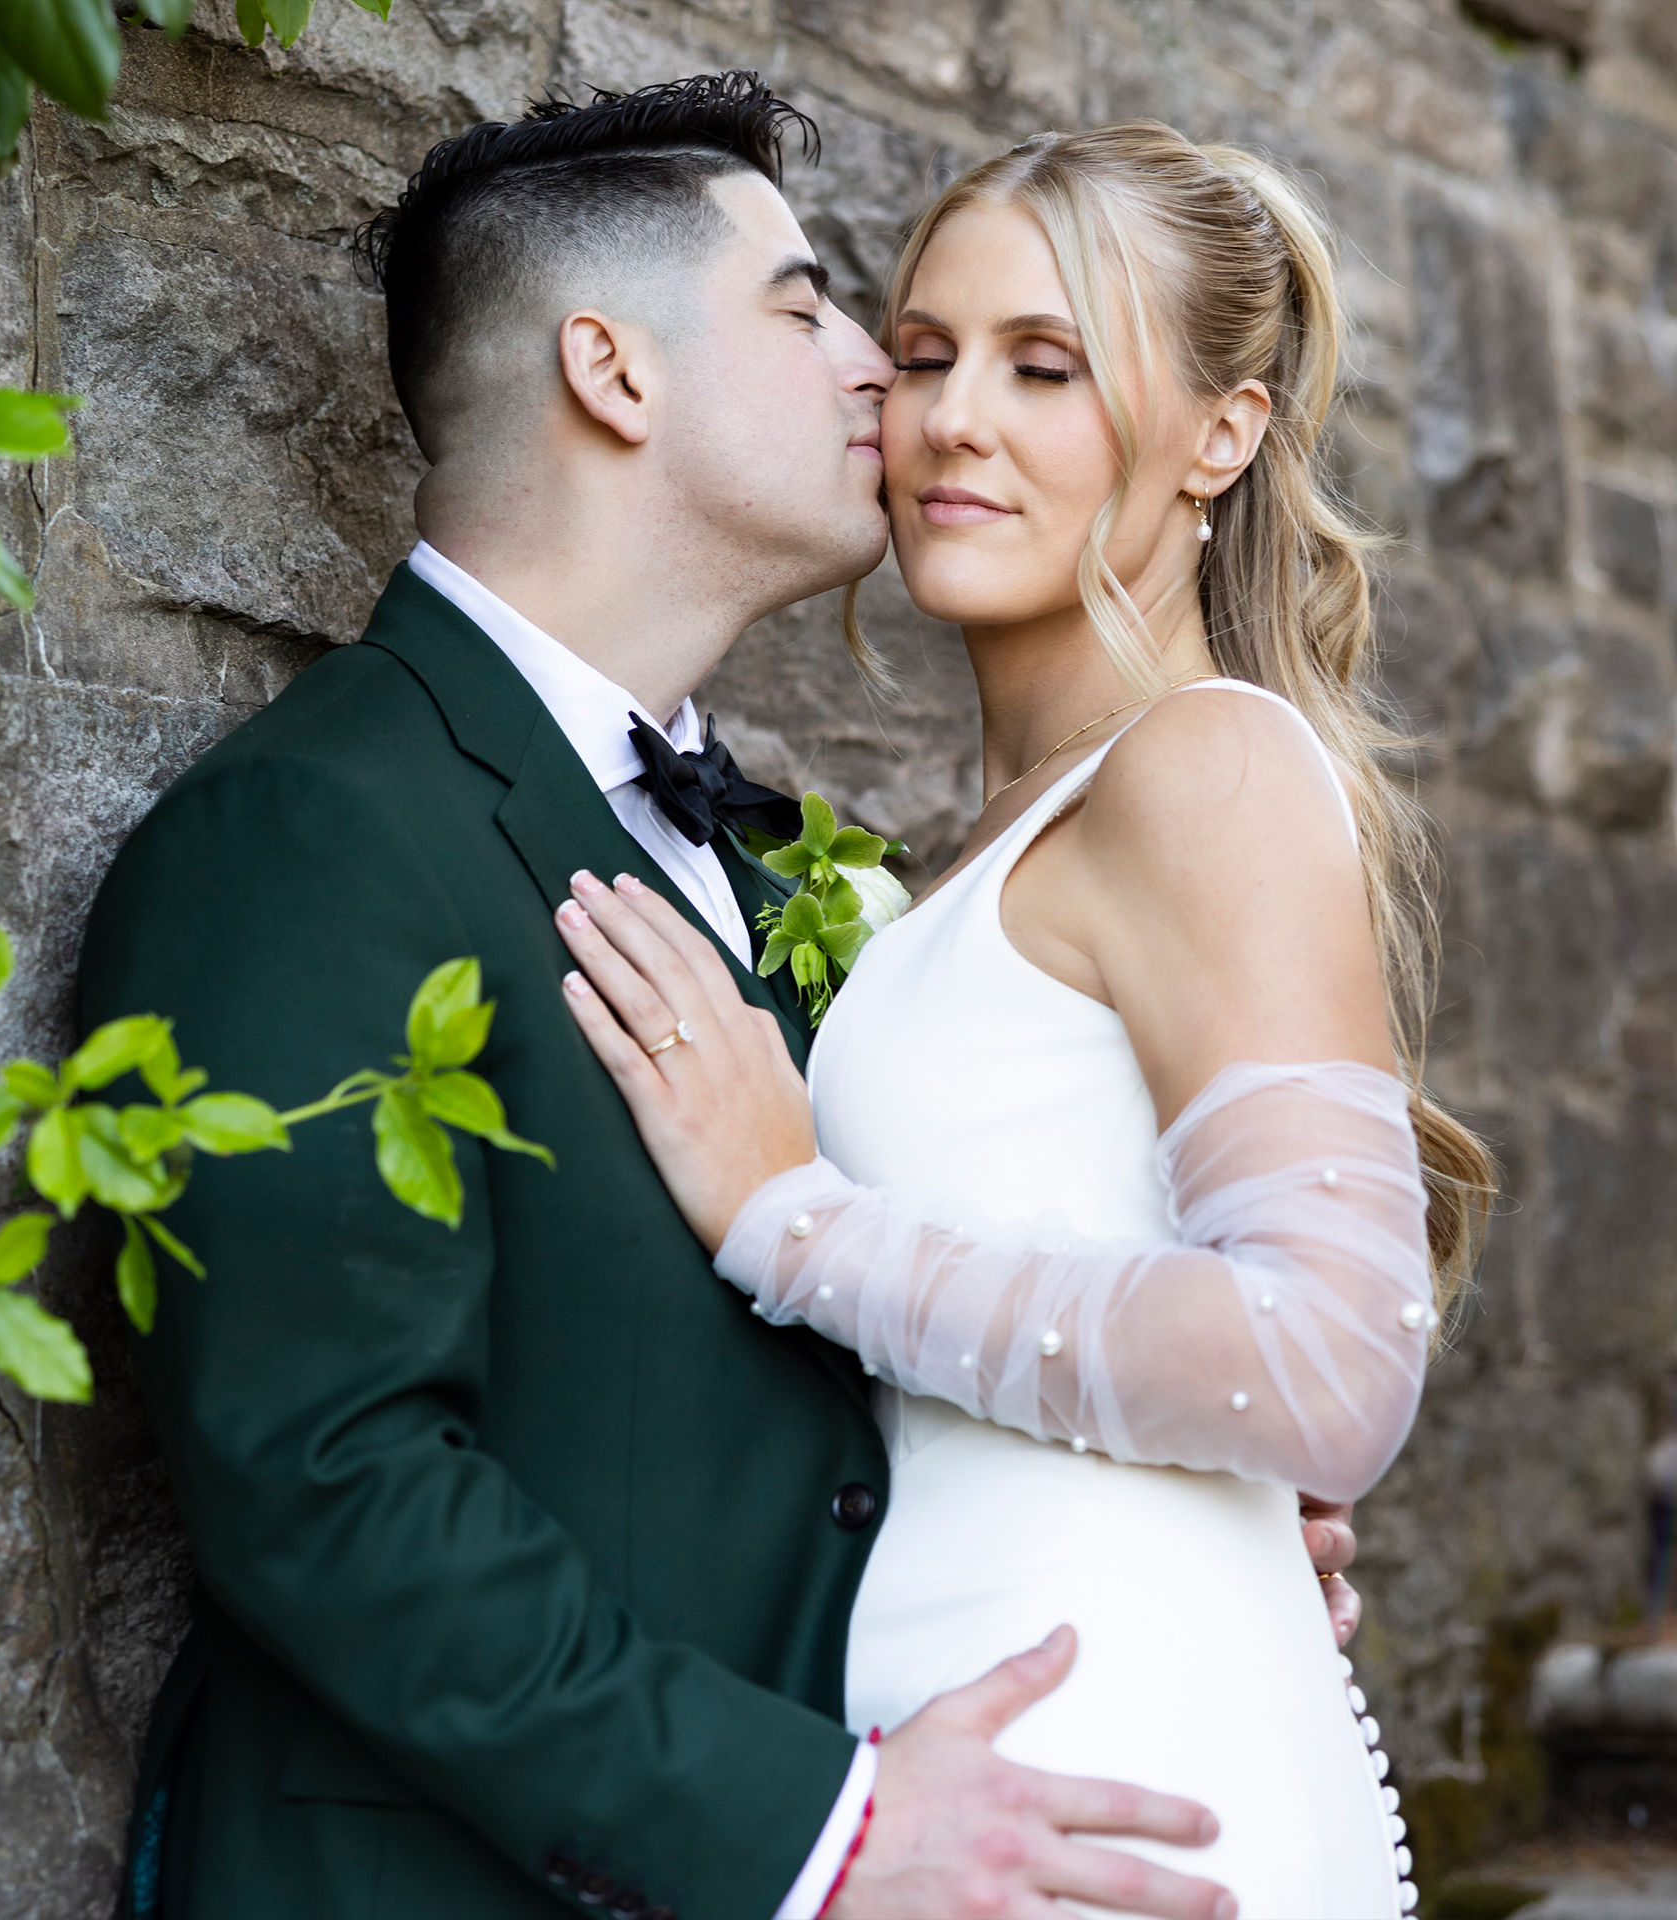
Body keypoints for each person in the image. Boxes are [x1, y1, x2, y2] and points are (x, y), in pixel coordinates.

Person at [81, 81, 1357, 1920]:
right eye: (811, 308)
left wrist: (1166, 1496)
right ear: (611, 371)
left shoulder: (760, 864)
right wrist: (814, 1831)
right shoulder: (310, 830)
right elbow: (326, 1482)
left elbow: (812, 1357)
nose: (888, 384)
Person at [553, 123, 1497, 1917]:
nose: (951, 421)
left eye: (1043, 366)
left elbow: (1328, 1365)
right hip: (958, 1773)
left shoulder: (1203, 769)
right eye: (924, 355)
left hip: (1115, 1788)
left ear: (1221, 434)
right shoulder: (988, 843)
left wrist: (792, 1218)